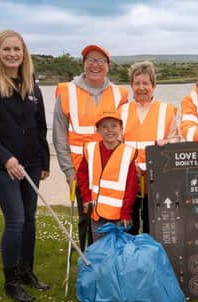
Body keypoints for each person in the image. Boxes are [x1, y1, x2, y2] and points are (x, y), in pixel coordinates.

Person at [0, 29, 50, 302]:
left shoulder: (31, 83)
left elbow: (40, 126)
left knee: (30, 219)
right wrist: (5, 158)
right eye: (7, 49)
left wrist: (44, 161)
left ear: (24, 53)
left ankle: (27, 271)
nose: (13, 54)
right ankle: (11, 281)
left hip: (32, 163)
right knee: (15, 220)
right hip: (2, 166)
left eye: (17, 49)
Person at [52, 44, 128, 248]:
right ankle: (88, 262)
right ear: (83, 64)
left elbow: (125, 132)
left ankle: (112, 261)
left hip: (113, 170)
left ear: (108, 66)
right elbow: (59, 136)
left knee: (113, 217)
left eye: (101, 60)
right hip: (81, 171)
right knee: (86, 217)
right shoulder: (66, 92)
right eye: (91, 60)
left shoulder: (120, 94)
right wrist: (68, 171)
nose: (96, 65)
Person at [122, 61, 180, 234]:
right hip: (128, 181)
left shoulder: (168, 110)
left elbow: (175, 141)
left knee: (153, 230)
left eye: (145, 83)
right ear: (131, 86)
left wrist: (167, 144)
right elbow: (117, 146)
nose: (141, 88)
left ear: (153, 86)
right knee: (129, 229)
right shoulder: (121, 111)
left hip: (156, 181)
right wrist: (132, 168)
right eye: (137, 83)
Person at [76, 109, 138, 242]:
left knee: (118, 250)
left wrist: (126, 211)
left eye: (114, 126)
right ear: (98, 130)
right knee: (100, 248)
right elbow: (82, 176)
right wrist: (86, 198)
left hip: (118, 214)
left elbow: (131, 186)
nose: (110, 130)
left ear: (121, 128)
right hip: (96, 213)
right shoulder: (90, 150)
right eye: (104, 127)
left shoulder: (128, 153)